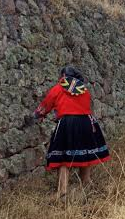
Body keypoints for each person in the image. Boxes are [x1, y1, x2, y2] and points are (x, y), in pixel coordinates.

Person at [34, 66, 111, 199]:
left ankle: (62, 190)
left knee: (64, 156)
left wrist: (37, 115)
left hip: (68, 123)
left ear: (63, 75)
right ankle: (86, 183)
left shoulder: (58, 88)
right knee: (85, 153)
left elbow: (46, 104)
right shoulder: (84, 89)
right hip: (87, 122)